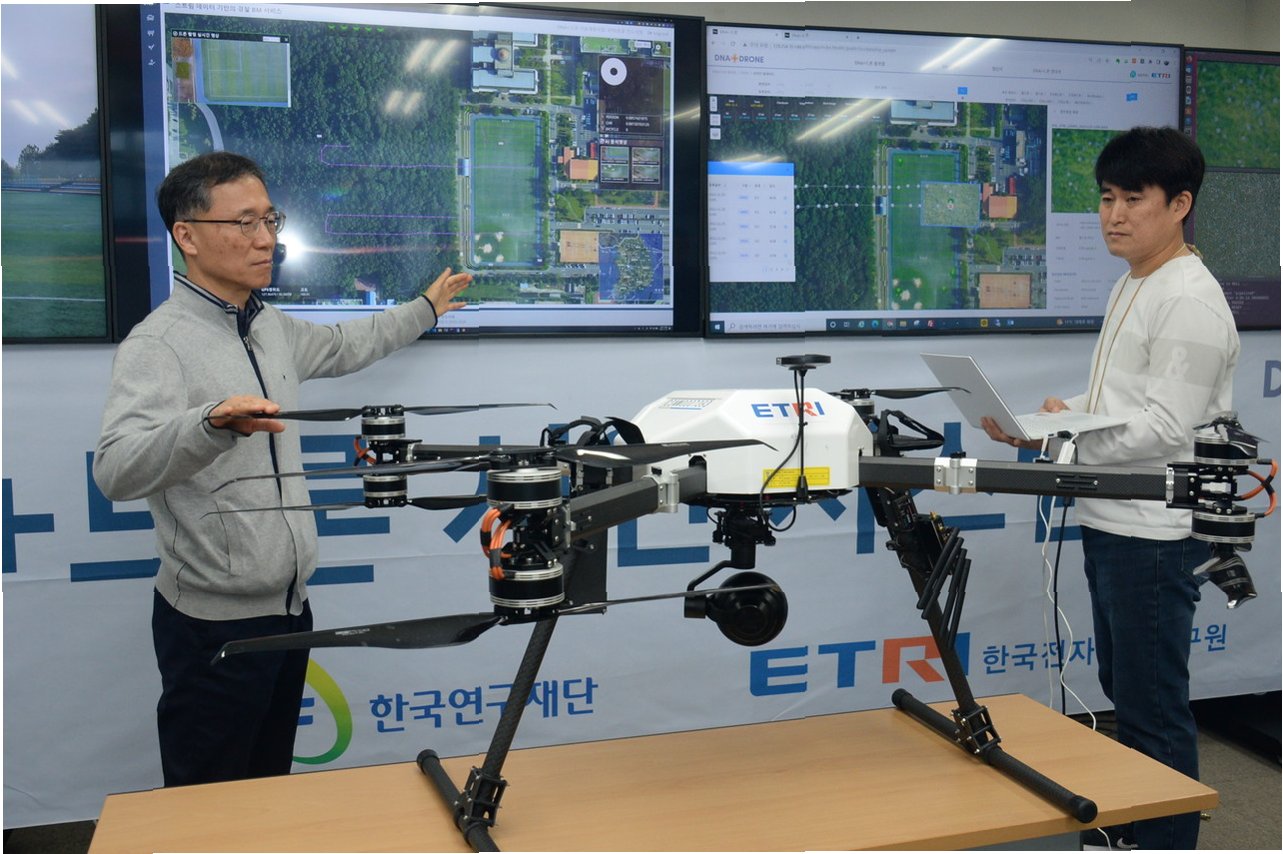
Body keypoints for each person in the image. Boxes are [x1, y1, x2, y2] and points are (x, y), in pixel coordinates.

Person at [93, 151, 471, 787]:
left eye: (270, 219)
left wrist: (425, 308)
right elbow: (115, 469)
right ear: (187, 236)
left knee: (268, 788)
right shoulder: (158, 345)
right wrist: (209, 425)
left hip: (291, 610)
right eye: (244, 223)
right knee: (208, 802)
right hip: (213, 627)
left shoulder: (265, 325)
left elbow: (345, 346)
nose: (266, 238)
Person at [982, 127, 1239, 850]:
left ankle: (1162, 840)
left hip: (1154, 532)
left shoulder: (1187, 299)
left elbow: (1164, 428)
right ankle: (1135, 830)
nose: (1114, 215)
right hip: (1113, 517)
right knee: (1127, 692)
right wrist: (1062, 415)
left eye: (1134, 199)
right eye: (1105, 198)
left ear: (1179, 204)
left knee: (1153, 710)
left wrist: (1059, 439)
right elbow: (1124, 401)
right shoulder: (1135, 281)